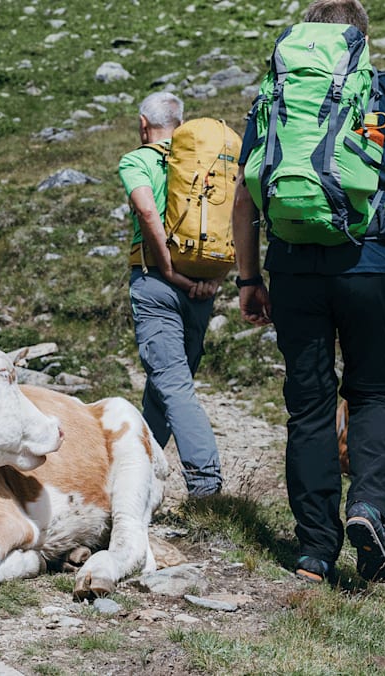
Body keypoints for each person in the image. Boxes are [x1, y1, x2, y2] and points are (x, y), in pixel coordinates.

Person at [232, 0, 385, 583]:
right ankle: (369, 506)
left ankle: (315, 551)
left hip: (294, 268)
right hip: (371, 263)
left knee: (311, 407)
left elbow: (246, 197)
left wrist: (250, 279)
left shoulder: (271, 98)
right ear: (359, 40)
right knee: (373, 395)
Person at [117, 91, 224, 498]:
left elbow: (146, 211)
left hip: (157, 284)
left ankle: (206, 483)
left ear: (144, 124)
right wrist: (211, 279)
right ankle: (138, 474)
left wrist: (167, 268)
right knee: (164, 386)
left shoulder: (138, 160)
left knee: (173, 385)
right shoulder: (205, 164)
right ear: (180, 124)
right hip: (203, 284)